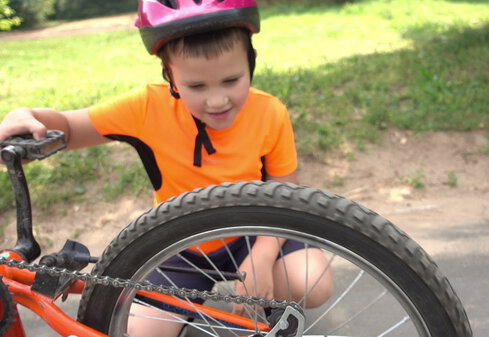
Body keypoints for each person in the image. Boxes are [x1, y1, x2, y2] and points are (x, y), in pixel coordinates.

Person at [0, 0, 333, 335]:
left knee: (312, 282)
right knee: (142, 332)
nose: (217, 100)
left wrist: (263, 254)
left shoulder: (269, 112)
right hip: (180, 243)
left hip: (253, 228)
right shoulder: (146, 107)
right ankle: (192, 302)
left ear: (252, 63)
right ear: (169, 76)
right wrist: (28, 118)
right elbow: (70, 128)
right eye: (197, 87)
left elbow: (286, 193)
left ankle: (261, 294)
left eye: (231, 80)